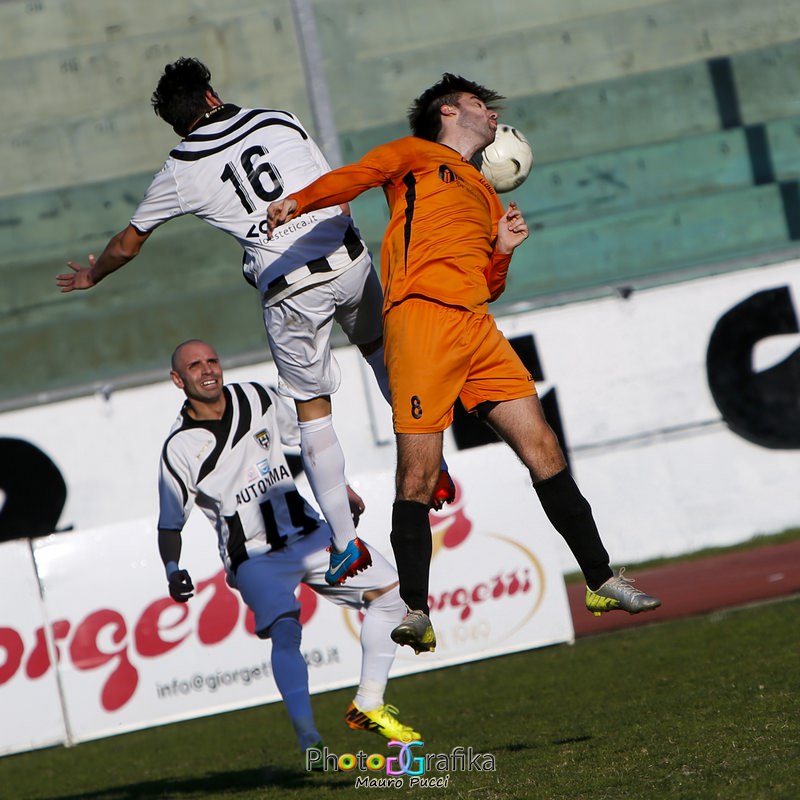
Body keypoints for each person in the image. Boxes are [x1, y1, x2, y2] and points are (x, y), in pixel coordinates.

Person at [266, 73, 661, 654]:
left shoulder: (485, 194)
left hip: (476, 326)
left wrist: (501, 252)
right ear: (449, 110)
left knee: (545, 448)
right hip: (420, 324)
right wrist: (300, 200)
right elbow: (357, 177)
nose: (493, 114)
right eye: (482, 104)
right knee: (419, 476)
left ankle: (600, 579)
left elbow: (487, 287)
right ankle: (417, 610)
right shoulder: (415, 157)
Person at [56, 57, 454, 588]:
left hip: (290, 282)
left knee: (313, 414)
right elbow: (327, 181)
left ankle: (343, 543)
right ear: (212, 96)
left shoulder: (179, 168)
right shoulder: (278, 118)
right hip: (347, 255)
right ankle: (434, 466)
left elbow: (129, 242)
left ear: (177, 123)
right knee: (386, 360)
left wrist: (93, 276)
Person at [157, 339, 420, 758]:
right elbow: (170, 522)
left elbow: (308, 441)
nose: (207, 370)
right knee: (286, 628)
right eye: (194, 366)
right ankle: (308, 737)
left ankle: (369, 702)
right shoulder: (180, 447)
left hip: (310, 534)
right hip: (255, 556)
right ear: (178, 379)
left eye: (212, 360)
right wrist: (173, 568)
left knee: (393, 596)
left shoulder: (257, 397)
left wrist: (340, 489)